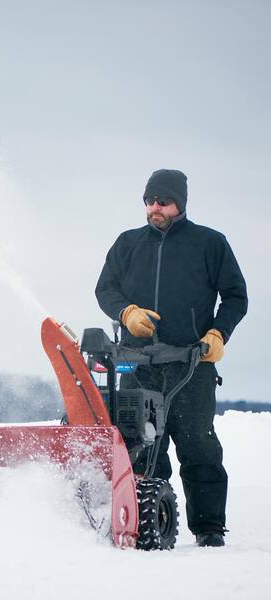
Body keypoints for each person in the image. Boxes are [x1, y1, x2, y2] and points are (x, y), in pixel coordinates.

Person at [95, 169, 248, 547]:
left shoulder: (210, 243)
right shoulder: (128, 243)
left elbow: (236, 296)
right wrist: (126, 312)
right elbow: (105, 290)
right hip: (137, 364)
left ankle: (209, 527)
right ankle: (150, 521)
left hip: (191, 363)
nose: (154, 208)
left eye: (161, 201)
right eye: (149, 201)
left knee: (198, 443)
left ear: (179, 202)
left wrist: (217, 333)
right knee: (142, 445)